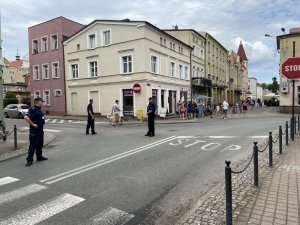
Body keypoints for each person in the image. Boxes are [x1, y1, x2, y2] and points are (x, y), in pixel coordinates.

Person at [24, 97, 48, 167]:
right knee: (33, 145)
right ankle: (30, 160)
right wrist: (32, 124)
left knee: (40, 144)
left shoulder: (39, 110)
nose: (42, 103)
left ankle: (39, 156)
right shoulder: (33, 109)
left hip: (40, 130)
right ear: (37, 102)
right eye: (41, 101)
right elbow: (26, 117)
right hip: (34, 130)